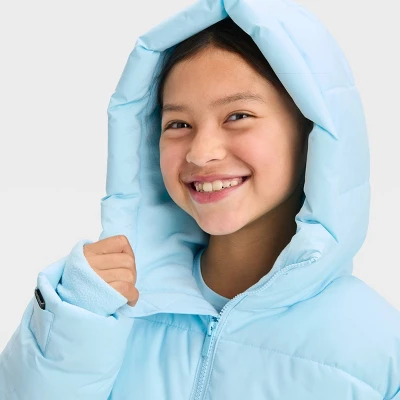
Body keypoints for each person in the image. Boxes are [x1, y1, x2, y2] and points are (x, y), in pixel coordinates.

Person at [1, 1, 399, 399]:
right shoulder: (101, 305)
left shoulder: (374, 346)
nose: (201, 152)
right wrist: (73, 321)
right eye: (178, 123)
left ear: (313, 132)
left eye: (238, 116)